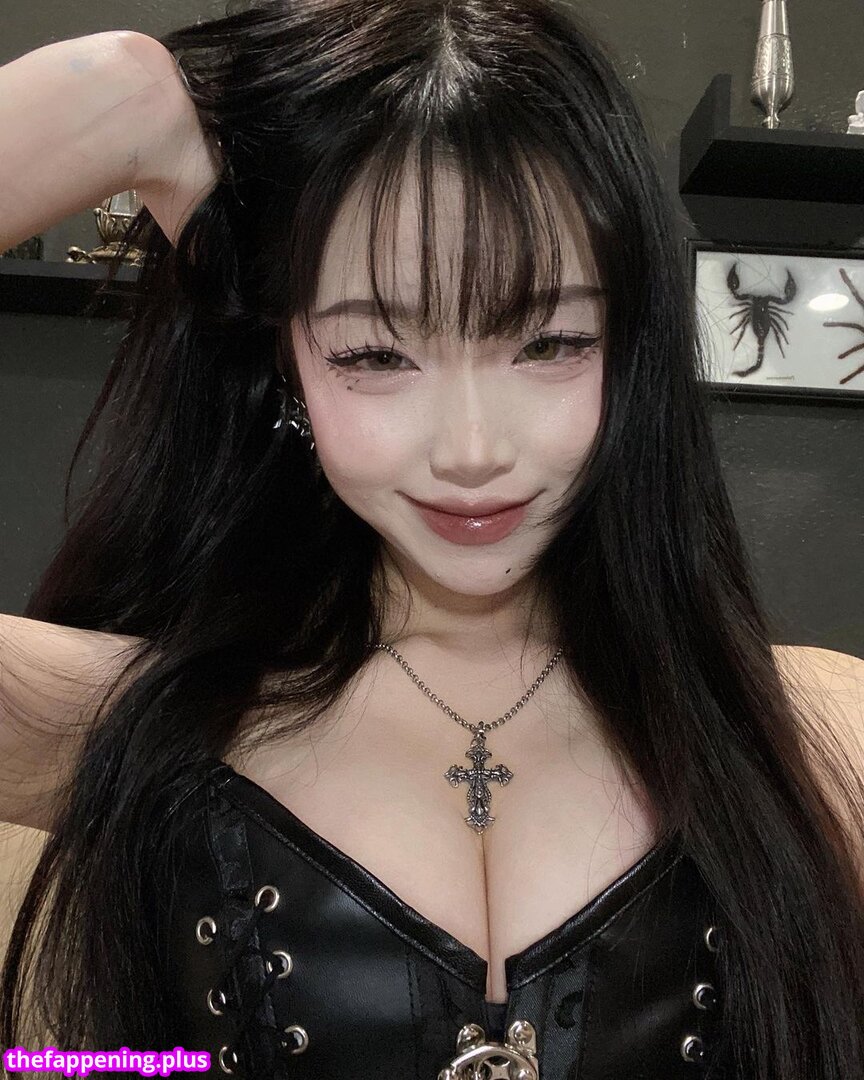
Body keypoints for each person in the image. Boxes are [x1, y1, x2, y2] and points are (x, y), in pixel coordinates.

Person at [1, 2, 864, 1077]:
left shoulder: (812, 737)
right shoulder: (126, 715)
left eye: (549, 342)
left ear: (629, 349)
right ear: (289, 368)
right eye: (375, 354)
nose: (471, 451)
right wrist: (120, 99)